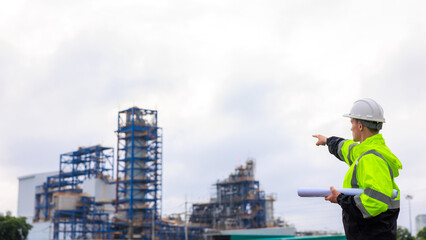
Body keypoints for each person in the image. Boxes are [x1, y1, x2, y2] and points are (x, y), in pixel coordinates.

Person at [312, 98, 402, 240]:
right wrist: (328, 141)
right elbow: (347, 149)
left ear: (360, 126)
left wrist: (340, 198)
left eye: (352, 123)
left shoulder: (370, 158)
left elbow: (374, 202)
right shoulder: (368, 150)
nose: (350, 127)